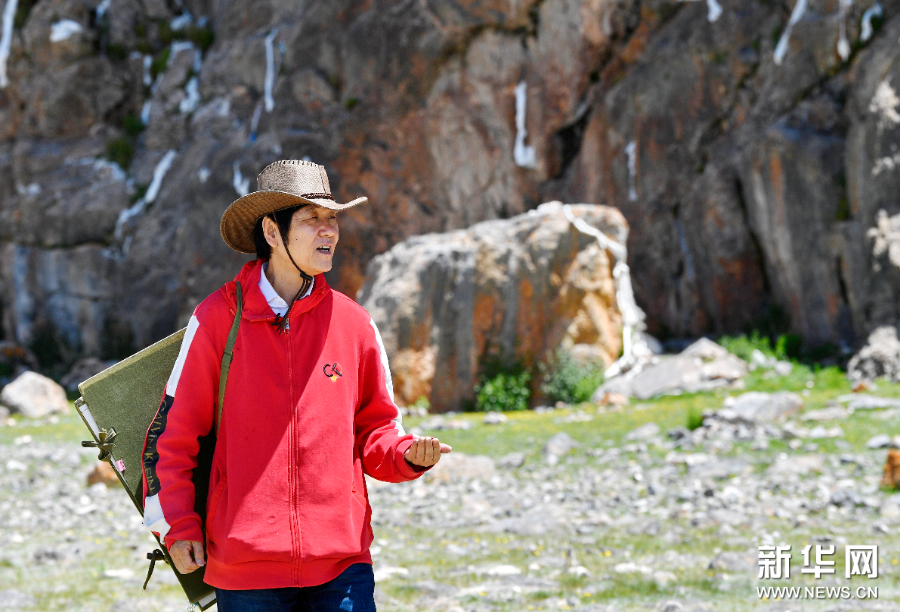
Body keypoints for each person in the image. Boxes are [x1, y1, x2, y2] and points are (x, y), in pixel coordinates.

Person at [141, 159, 451, 611]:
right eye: (311, 218)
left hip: (342, 570)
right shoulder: (215, 320)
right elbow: (173, 436)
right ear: (272, 232)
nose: (329, 231)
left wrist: (405, 455)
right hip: (246, 573)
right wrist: (179, 526)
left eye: (333, 219)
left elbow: (377, 431)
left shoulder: (354, 324)